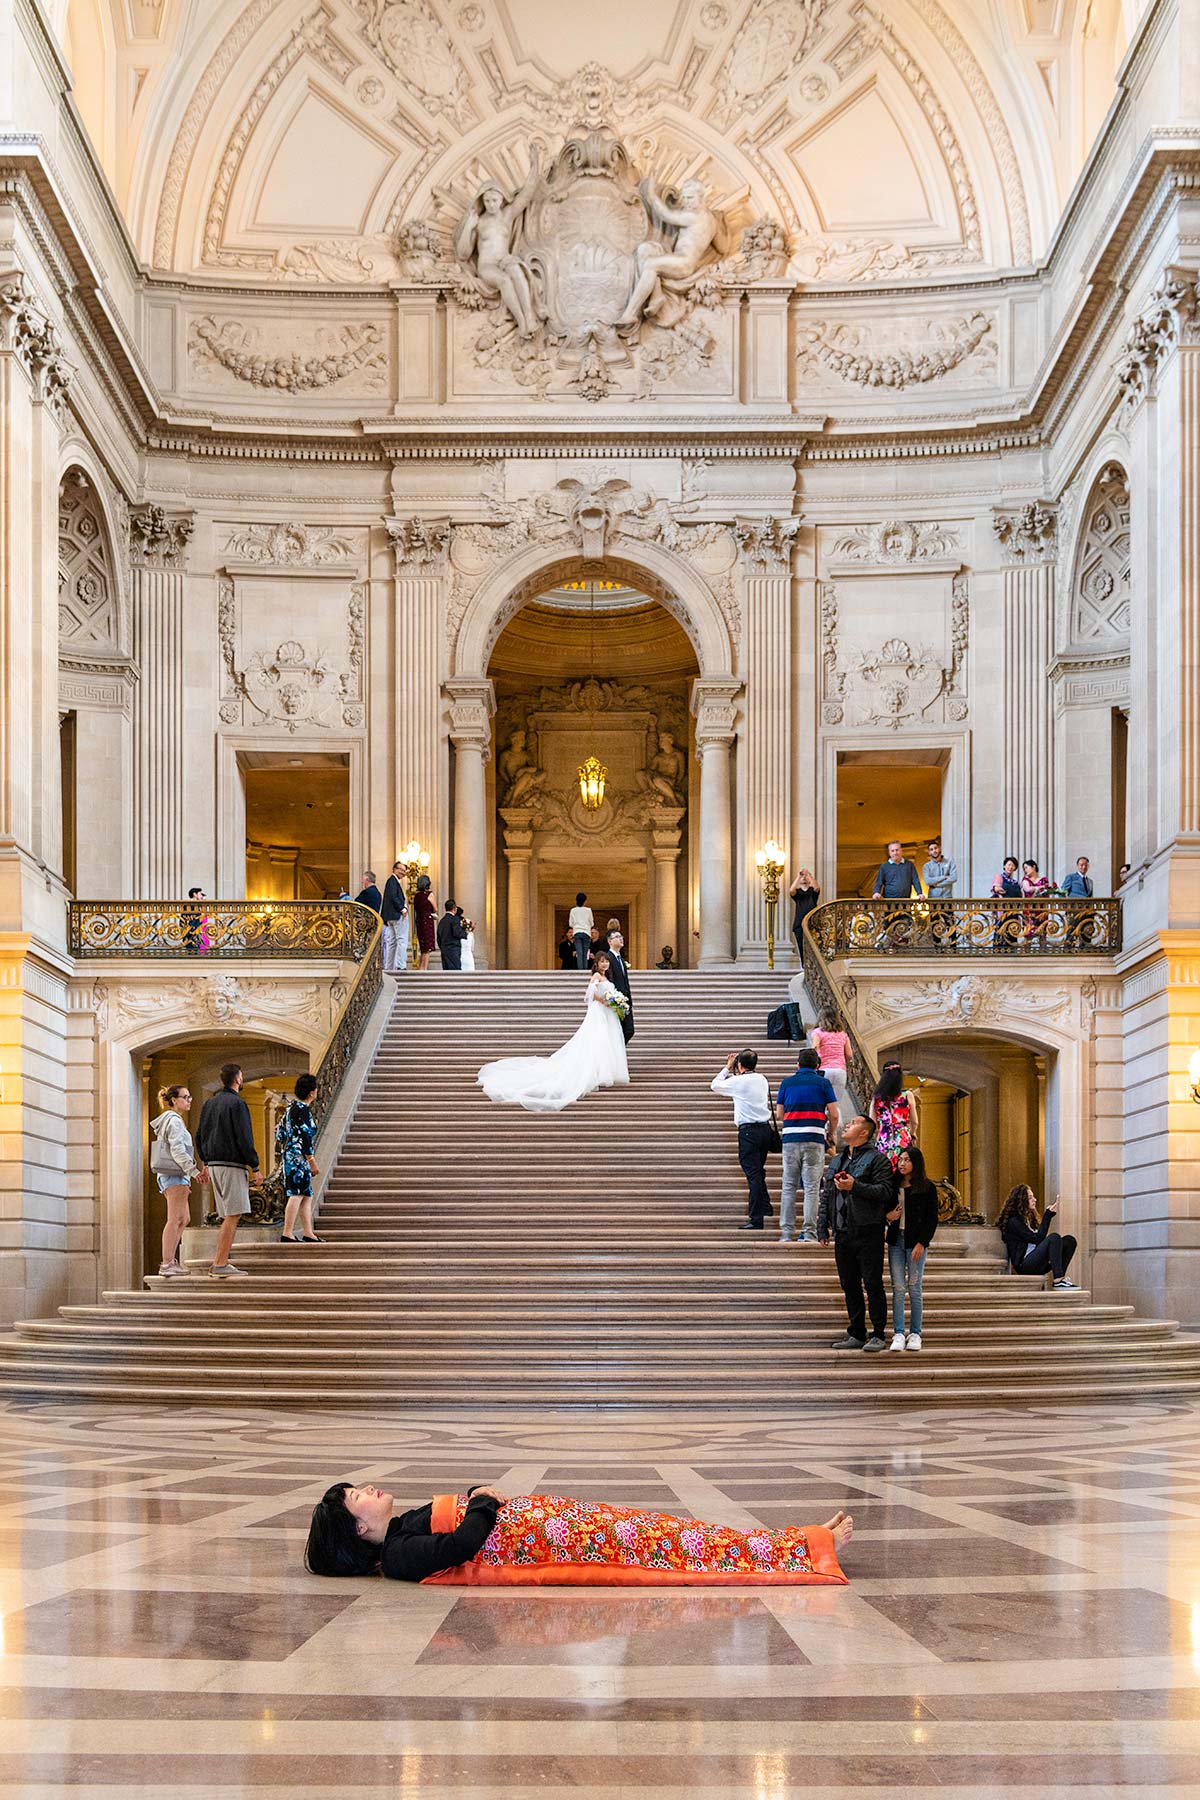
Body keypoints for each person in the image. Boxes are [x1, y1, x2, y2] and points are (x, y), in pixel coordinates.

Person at [305, 1480, 853, 1584]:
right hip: (553, 1538)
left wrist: (474, 1496)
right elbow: (460, 1546)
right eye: (360, 1496)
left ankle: (795, 1541)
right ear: (357, 1528)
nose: (372, 1488)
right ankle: (805, 1546)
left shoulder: (400, 1527)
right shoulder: (397, 1554)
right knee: (673, 1548)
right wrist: (484, 1504)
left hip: (556, 1523)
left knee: (667, 1531)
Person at [478, 951, 629, 1112]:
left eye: (606, 962)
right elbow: (590, 994)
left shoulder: (607, 978)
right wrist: (604, 1001)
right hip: (599, 1012)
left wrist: (615, 1002)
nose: (605, 964)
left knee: (606, 1041)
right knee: (596, 1040)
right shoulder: (596, 977)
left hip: (608, 1013)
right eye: (602, 962)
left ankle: (607, 1071)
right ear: (596, 964)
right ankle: (596, 1072)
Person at [818, 1116, 895, 1351]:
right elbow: (826, 1194)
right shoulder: (838, 1160)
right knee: (849, 1284)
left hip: (868, 1230)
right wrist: (823, 1225)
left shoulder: (877, 1159)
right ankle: (857, 1332)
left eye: (853, 1123)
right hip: (842, 1232)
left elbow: (885, 1192)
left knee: (872, 1283)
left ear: (864, 1133)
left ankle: (879, 1333)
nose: (847, 1125)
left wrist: (856, 1186)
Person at [194, 1062, 261, 1278]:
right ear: (238, 1078)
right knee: (233, 1214)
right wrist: (256, 1165)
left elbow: (199, 1135)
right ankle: (220, 1263)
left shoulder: (210, 1103)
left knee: (228, 1215)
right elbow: (244, 1136)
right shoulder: (237, 1104)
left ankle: (220, 1262)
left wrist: (205, 1161)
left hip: (213, 1165)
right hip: (231, 1166)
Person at [775, 1048, 839, 1244]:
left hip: (790, 1139)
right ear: (817, 1065)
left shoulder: (787, 1083)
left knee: (788, 1186)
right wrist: (831, 1132)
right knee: (811, 1188)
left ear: (798, 1065)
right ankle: (809, 1233)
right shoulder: (823, 1083)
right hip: (814, 1138)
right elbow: (834, 1113)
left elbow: (779, 1114)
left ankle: (786, 1233)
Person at [149, 1083, 208, 1278]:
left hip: (176, 1175)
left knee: (184, 1218)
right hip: (174, 1174)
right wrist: (193, 1171)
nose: (189, 1100)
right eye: (186, 1097)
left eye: (190, 1097)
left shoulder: (173, 1120)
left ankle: (170, 1261)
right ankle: (166, 1263)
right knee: (174, 1219)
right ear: (174, 1100)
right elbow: (177, 1150)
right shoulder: (174, 1121)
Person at [711, 1049, 773, 1231]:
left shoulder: (739, 1081)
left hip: (749, 1133)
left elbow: (715, 1085)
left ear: (739, 1064)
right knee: (758, 1171)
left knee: (753, 1175)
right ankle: (765, 1206)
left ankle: (756, 1218)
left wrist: (727, 1067)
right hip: (764, 1130)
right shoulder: (762, 1079)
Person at [887, 1144, 938, 1351]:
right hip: (896, 1240)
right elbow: (884, 1208)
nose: (902, 1163)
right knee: (898, 1287)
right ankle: (898, 1332)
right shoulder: (892, 1184)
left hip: (916, 1241)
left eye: (907, 1160)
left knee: (914, 1288)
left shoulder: (927, 1187)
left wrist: (922, 1243)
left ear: (916, 1162)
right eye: (900, 1160)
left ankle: (916, 1332)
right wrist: (887, 1217)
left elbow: (931, 1219)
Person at [998, 1184, 1078, 1288]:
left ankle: (1061, 1278)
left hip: (1035, 1261)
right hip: (1024, 1265)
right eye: (1030, 1197)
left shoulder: (1029, 1219)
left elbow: (1039, 1240)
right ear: (1021, 1200)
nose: (1034, 1200)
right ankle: (1058, 1279)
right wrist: (1047, 1216)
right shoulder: (1014, 1222)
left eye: (1033, 1197)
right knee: (1054, 1237)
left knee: (1069, 1240)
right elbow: (1038, 1239)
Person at [278, 1073, 322, 1244]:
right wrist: (311, 1160)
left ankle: (308, 1232)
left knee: (306, 1194)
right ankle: (287, 1232)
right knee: (296, 1194)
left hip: (290, 1154)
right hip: (299, 1157)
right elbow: (305, 1136)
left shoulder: (290, 1108)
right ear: (312, 1092)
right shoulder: (303, 1110)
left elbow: (280, 1132)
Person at [871, 1061, 919, 1167]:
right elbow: (914, 1121)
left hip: (884, 1138)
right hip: (902, 1137)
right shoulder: (907, 1095)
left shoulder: (877, 1098)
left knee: (884, 1168)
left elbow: (872, 1121)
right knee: (903, 1167)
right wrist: (912, 1132)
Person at [810, 1011, 851, 1112]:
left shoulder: (818, 1032)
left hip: (824, 1069)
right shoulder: (843, 1034)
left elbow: (814, 1047)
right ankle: (835, 1125)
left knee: (821, 1101)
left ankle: (822, 1125)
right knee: (835, 1103)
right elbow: (849, 1054)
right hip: (840, 1070)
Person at [604, 928, 635, 1043]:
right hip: (616, 1000)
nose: (621, 938)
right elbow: (608, 978)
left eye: (621, 936)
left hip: (625, 1000)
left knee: (629, 1030)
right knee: (623, 1030)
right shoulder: (608, 958)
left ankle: (618, 1052)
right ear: (610, 941)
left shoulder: (621, 959)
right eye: (617, 937)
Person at [381, 862, 409, 973]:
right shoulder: (392, 881)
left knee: (392, 942)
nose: (403, 872)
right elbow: (393, 897)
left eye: (404, 871)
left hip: (390, 917)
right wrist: (402, 908)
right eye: (401, 870)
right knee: (401, 940)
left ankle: (389, 966)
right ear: (394, 869)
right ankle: (401, 965)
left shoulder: (391, 882)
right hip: (396, 915)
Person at [789, 868, 820, 956]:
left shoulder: (812, 892)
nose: (804, 878)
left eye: (805, 877)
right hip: (799, 923)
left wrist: (809, 875)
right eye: (802, 878)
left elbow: (817, 887)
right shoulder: (798, 893)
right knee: (801, 947)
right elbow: (791, 890)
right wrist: (798, 877)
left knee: (813, 947)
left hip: (812, 923)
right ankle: (804, 966)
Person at [1020, 858, 1051, 943]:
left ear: (1033, 867)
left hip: (1041, 909)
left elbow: (1047, 894)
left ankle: (1043, 953)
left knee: (1042, 934)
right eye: (1024, 869)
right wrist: (1038, 888)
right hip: (1029, 911)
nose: (1025, 870)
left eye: (1026, 867)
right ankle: (1026, 954)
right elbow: (1027, 889)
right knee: (1028, 934)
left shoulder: (1044, 879)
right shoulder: (1025, 880)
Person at [413, 873, 436, 971]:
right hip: (427, 921)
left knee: (422, 947)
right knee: (427, 948)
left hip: (419, 921)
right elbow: (435, 909)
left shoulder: (416, 896)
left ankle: (420, 967)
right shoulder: (429, 894)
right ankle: (424, 968)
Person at [436, 899, 467, 970]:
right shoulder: (455, 920)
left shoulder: (441, 921)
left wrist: (442, 947)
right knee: (455, 971)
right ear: (454, 908)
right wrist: (465, 933)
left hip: (444, 950)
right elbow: (457, 933)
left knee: (446, 971)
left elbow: (438, 937)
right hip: (453, 949)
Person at [568, 892, 594, 970]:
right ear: (585, 901)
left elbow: (570, 923)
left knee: (579, 952)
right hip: (586, 932)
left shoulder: (573, 910)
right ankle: (585, 969)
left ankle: (580, 970)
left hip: (577, 932)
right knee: (585, 952)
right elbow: (592, 923)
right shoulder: (588, 910)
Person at [182, 886, 209, 955]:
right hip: (191, 935)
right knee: (193, 954)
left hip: (195, 935)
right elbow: (187, 921)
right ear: (194, 894)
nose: (201, 896)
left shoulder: (195, 906)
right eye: (200, 894)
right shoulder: (189, 905)